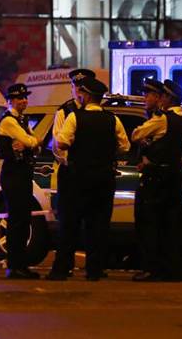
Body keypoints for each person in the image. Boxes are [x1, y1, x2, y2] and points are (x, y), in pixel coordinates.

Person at [48, 77, 130, 281]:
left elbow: (62, 143)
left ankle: (62, 268)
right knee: (99, 225)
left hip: (78, 178)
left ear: (85, 96)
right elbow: (125, 147)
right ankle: (95, 269)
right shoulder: (113, 119)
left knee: (70, 224)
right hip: (104, 179)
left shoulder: (75, 117)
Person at [131, 79, 182, 282]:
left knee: (151, 223)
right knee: (174, 225)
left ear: (166, 98)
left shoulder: (163, 119)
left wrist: (152, 153)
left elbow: (136, 134)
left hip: (157, 178)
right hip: (175, 175)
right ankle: (176, 269)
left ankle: (152, 268)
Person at [49, 68, 96, 277]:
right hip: (70, 173)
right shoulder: (64, 112)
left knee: (93, 223)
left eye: (82, 88)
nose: (78, 92)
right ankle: (64, 265)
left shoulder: (99, 112)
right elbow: (58, 146)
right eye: (76, 87)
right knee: (68, 223)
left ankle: (94, 267)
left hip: (91, 173)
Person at [0, 83, 41, 279]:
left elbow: (33, 144)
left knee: (23, 219)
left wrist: (31, 143)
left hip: (22, 173)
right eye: (19, 98)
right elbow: (32, 141)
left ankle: (20, 264)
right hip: (13, 174)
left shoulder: (22, 120)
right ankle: (15, 266)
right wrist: (31, 143)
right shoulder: (9, 121)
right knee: (16, 220)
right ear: (10, 101)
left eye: (25, 97)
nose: (24, 101)